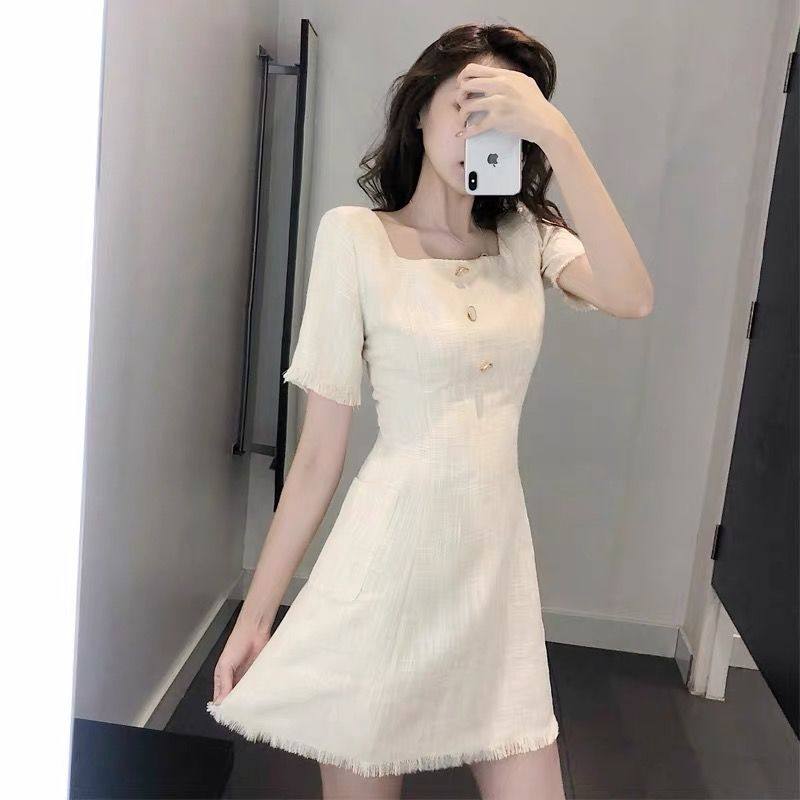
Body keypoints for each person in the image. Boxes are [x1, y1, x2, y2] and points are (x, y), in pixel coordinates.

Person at [207, 22, 652, 800]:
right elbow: (317, 457)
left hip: (495, 583)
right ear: (420, 111)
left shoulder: (527, 237)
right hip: (384, 577)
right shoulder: (355, 239)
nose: (481, 127)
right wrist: (257, 615)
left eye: (504, 113)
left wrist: (558, 133)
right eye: (467, 103)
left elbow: (630, 294)